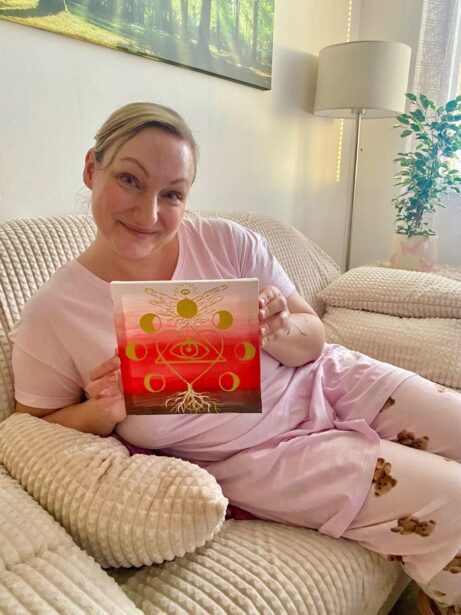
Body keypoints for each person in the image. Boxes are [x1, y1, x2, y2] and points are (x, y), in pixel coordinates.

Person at [9, 102, 461, 614]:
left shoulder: (227, 241)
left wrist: (279, 330)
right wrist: (102, 411)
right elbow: (31, 426)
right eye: (130, 180)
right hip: (262, 458)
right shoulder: (53, 312)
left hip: (329, 378)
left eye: (172, 194)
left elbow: (312, 338)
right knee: (453, 502)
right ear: (92, 168)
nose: (150, 213)